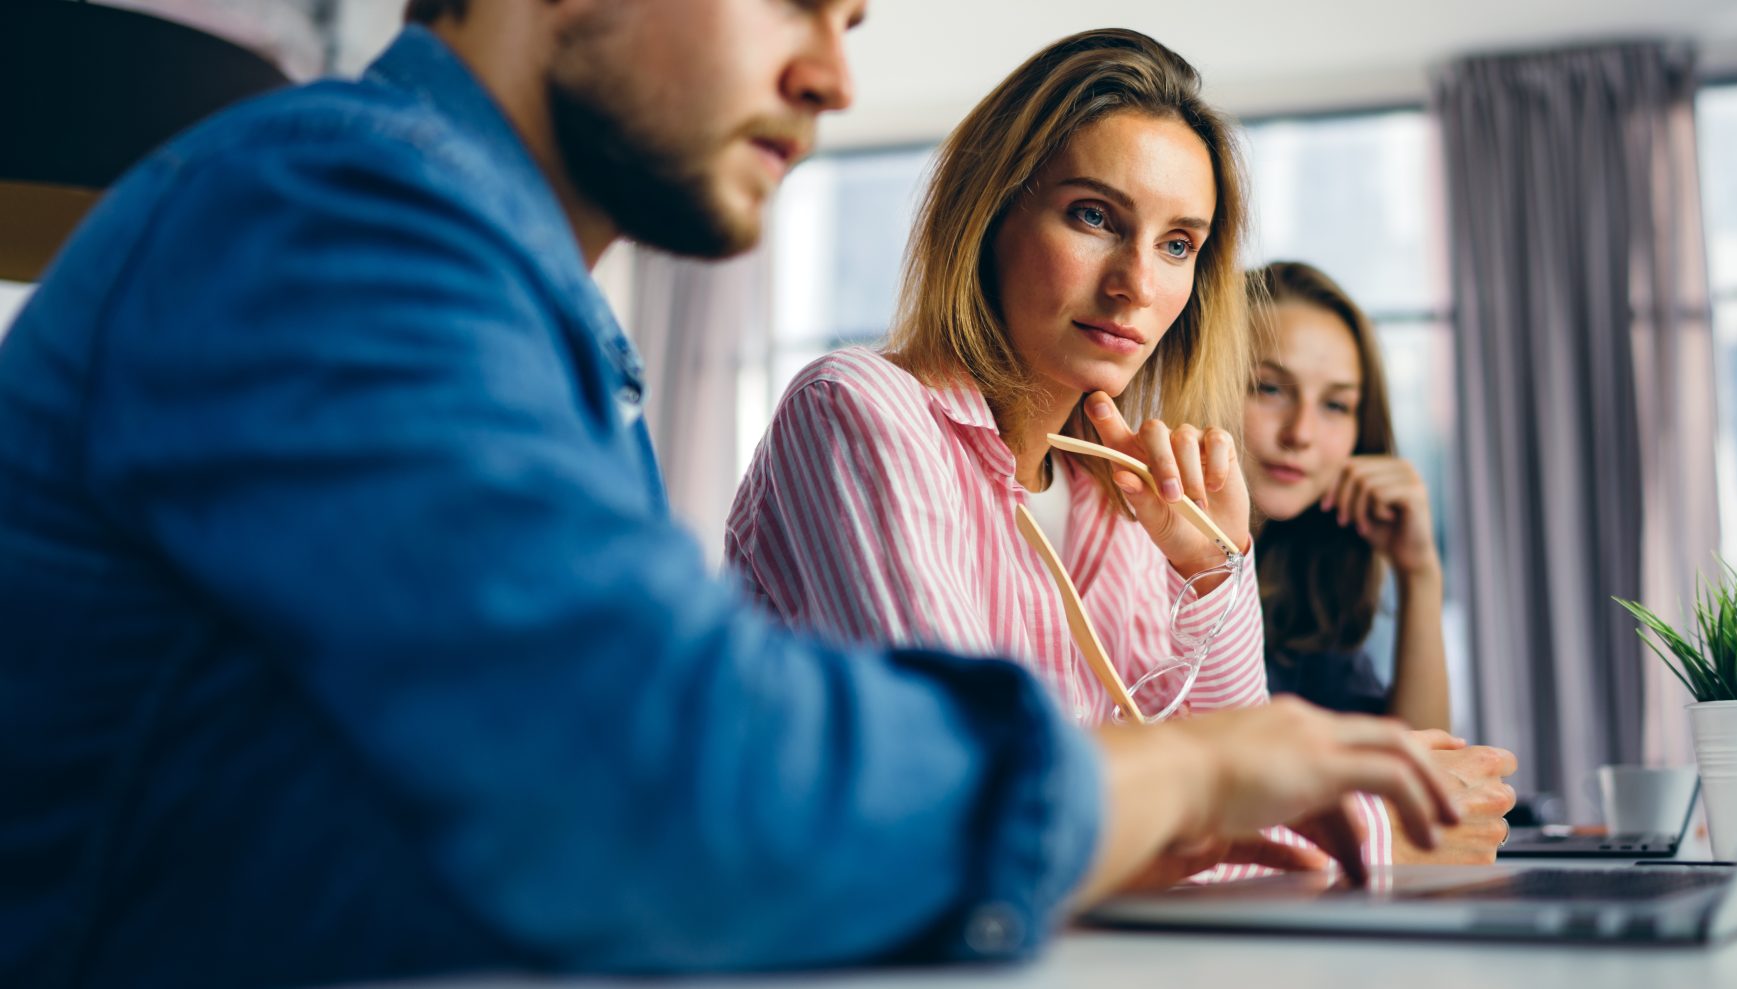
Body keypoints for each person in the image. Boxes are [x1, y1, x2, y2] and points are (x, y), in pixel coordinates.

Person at [0, 2, 1459, 987]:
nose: (832, 78)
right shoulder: (334, 217)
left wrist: (1218, 665)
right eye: (789, 4)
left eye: (849, 22)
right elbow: (681, 770)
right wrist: (1194, 770)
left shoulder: (543, 332)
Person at [726, 28, 1481, 881]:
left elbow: (1227, 819)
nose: (1136, 285)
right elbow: (983, 806)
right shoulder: (861, 410)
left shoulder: (1120, 501)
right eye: (1093, 216)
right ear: (990, 213)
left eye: (1177, 244)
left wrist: (1214, 569)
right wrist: (1374, 828)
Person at [1242, 260, 1516, 862]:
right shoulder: (1146, 561)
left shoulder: (1299, 580)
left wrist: (1419, 573)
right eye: (1268, 388)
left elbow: (1420, 781)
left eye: (1336, 406)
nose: (1301, 433)